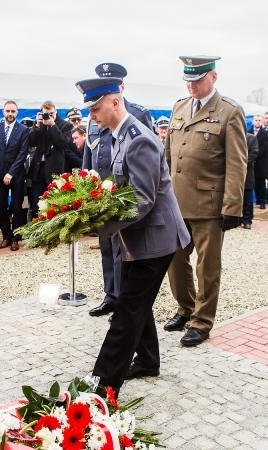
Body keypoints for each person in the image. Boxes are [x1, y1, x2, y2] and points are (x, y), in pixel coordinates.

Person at [79, 77, 190, 393]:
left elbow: (143, 198)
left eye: (96, 108)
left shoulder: (138, 138)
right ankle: (148, 361)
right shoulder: (117, 135)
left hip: (156, 238)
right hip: (138, 236)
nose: (92, 116)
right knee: (135, 301)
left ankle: (102, 382)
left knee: (127, 310)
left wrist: (100, 227)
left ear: (115, 102)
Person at [164, 55, 247, 347]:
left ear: (213, 77)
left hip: (209, 206)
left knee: (207, 267)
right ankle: (185, 308)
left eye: (197, 80)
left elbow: (237, 163)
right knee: (175, 261)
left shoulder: (229, 112)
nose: (192, 86)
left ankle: (202, 321)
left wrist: (232, 207)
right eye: (188, 80)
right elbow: (168, 156)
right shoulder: (179, 107)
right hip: (176, 202)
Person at [83, 62, 154, 319]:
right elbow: (89, 150)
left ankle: (124, 299)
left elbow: (148, 155)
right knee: (106, 246)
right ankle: (110, 296)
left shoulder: (134, 114)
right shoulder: (94, 113)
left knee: (123, 249)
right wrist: (85, 179)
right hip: (100, 187)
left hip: (123, 190)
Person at [0, 101, 29, 251]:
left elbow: (22, 154)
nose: (10, 114)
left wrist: (11, 173)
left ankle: (16, 238)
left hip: (16, 174)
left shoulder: (23, 130)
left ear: (17, 112)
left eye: (13, 111)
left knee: (16, 206)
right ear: (3, 112)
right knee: (1, 206)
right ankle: (6, 236)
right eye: (8, 111)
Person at [28, 101, 73, 219]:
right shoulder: (40, 124)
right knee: (37, 202)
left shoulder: (65, 125)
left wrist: (53, 125)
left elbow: (63, 143)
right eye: (46, 114)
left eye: (51, 113)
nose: (49, 116)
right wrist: (37, 126)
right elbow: (32, 142)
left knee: (54, 202)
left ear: (56, 111)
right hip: (38, 168)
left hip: (54, 168)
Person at [250, 115, 268, 210]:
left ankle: (263, 201)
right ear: (252, 121)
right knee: (253, 181)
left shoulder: (266, 133)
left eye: (259, 120)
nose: (257, 122)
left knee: (261, 182)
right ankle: (257, 199)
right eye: (256, 120)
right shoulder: (248, 132)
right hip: (250, 161)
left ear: (262, 122)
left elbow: (265, 148)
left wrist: (255, 155)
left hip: (261, 161)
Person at [242, 131, 258, 228]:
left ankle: (247, 220)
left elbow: (254, 153)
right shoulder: (232, 136)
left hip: (247, 171)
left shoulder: (251, 138)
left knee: (247, 197)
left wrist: (240, 163)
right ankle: (237, 218)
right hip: (232, 172)